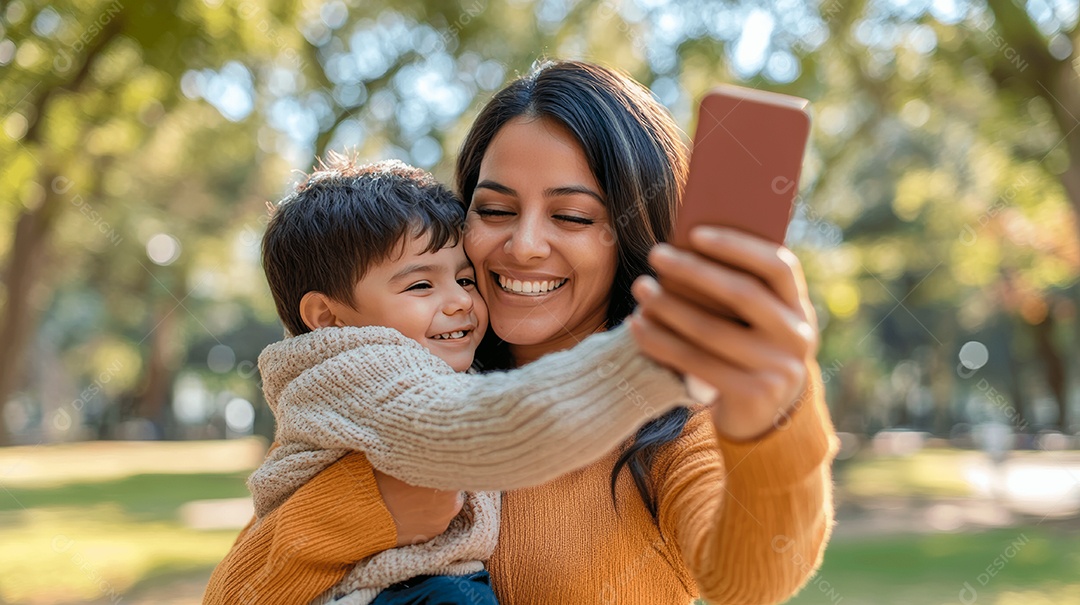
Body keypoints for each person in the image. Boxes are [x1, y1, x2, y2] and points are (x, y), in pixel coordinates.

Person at [206, 60, 837, 605]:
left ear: (630, 233)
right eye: (496, 210)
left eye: (570, 215)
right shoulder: (402, 377)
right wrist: (363, 511)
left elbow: (752, 577)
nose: (525, 244)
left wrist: (773, 419)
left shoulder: (669, 418)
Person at [207, 157, 692, 605]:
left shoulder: (426, 360)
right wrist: (651, 355)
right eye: (420, 285)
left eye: (463, 280)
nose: (460, 301)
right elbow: (476, 431)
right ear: (327, 317)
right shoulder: (358, 368)